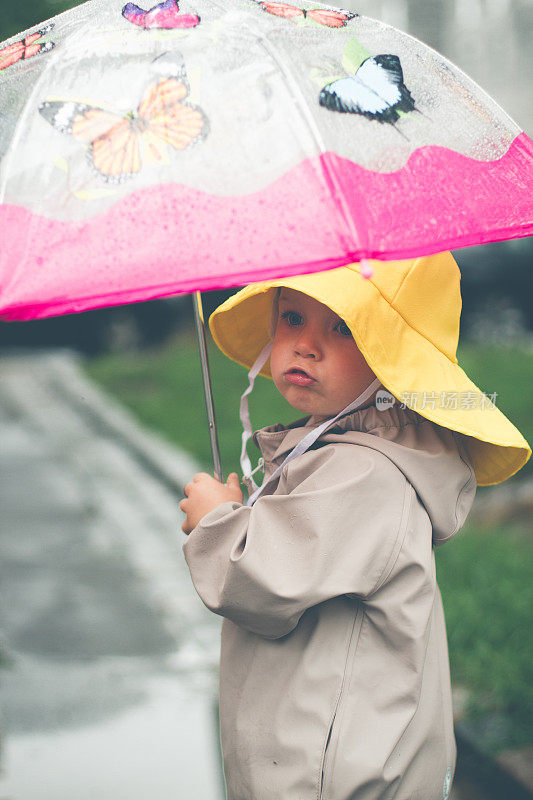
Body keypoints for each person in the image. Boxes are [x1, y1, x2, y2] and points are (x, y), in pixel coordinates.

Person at [180, 252, 530, 800]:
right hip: (338, 756)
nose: (305, 344)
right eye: (291, 317)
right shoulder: (349, 454)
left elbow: (259, 579)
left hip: (333, 777)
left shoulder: (362, 472)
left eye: (344, 327)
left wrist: (219, 523)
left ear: (395, 360)